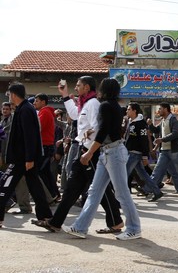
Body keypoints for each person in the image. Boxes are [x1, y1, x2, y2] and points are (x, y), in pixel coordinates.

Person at [34, 76, 123, 234]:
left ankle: (116, 221)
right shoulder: (86, 103)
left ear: (87, 87)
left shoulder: (94, 104)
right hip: (83, 150)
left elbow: (99, 128)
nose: (76, 88)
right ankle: (56, 222)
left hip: (90, 153)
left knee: (101, 189)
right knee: (72, 189)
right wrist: (65, 95)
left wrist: (89, 150)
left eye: (78, 85)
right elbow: (75, 115)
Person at [62, 78, 141, 240]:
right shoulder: (115, 106)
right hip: (108, 152)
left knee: (121, 193)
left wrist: (89, 152)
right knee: (94, 192)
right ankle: (80, 227)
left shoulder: (105, 106)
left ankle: (134, 228)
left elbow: (103, 130)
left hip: (113, 152)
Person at [0, 83, 53, 228]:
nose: (9, 97)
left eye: (9, 94)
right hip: (23, 157)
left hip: (22, 158)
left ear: (14, 95)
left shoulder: (25, 110)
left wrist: (29, 158)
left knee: (4, 185)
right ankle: (46, 217)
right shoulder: (23, 109)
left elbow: (29, 137)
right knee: (35, 187)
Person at [147, 102, 178, 196]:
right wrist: (150, 125)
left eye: (160, 109)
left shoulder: (173, 119)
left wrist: (162, 139)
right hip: (164, 150)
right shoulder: (163, 120)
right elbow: (156, 130)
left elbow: (175, 133)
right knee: (158, 170)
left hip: (173, 150)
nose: (159, 111)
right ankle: (149, 189)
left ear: (166, 109)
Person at [124, 103, 162, 199]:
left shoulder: (141, 124)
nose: (127, 111)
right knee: (143, 174)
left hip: (135, 153)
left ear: (134, 111)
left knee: (124, 173)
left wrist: (145, 156)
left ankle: (120, 196)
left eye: (129, 109)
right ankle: (156, 191)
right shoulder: (130, 122)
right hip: (130, 152)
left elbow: (144, 140)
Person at [33, 93, 60, 201]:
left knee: (40, 171)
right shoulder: (46, 112)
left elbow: (37, 129)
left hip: (45, 146)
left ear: (43, 102)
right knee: (45, 172)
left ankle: (50, 195)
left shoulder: (44, 112)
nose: (34, 103)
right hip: (47, 146)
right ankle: (54, 194)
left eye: (37, 101)